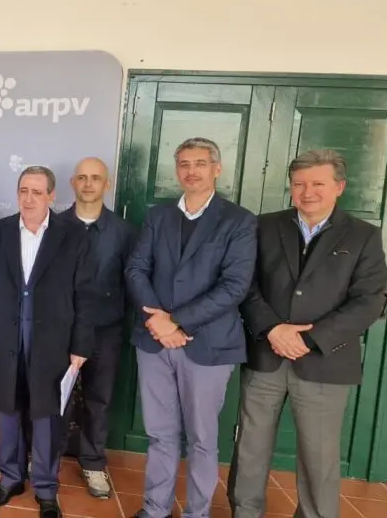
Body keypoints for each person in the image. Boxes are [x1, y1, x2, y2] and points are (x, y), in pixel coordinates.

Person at [229, 150, 387, 518]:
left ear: (339, 187)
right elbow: (245, 285)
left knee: (319, 457)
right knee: (250, 448)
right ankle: (245, 512)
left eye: (318, 183)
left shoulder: (363, 235)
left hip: (324, 361)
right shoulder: (264, 226)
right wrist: (273, 328)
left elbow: (370, 300)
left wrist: (308, 338)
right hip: (266, 355)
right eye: (299, 183)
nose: (307, 192)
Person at [124, 137, 257, 518]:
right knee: (159, 434)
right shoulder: (158, 215)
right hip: (154, 342)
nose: (191, 171)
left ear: (217, 169)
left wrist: (176, 321)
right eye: (184, 163)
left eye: (200, 163)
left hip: (207, 345)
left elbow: (234, 286)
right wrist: (157, 321)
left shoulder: (239, 221)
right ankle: (155, 509)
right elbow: (136, 268)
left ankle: (197, 513)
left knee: (202, 439)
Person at [0, 166, 95, 518]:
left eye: (37, 192)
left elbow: (86, 294)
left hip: (53, 342)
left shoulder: (73, 235)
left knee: (47, 417)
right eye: (23, 191)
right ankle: (10, 478)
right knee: (8, 411)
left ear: (51, 196)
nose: (28, 199)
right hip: (6, 338)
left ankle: (45, 488)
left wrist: (81, 345)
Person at [53, 157, 134, 499]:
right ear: (73, 183)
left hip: (105, 331)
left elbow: (132, 282)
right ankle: (47, 460)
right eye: (82, 178)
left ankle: (93, 463)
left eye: (96, 178)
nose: (88, 184)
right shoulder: (54, 225)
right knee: (55, 399)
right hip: (61, 330)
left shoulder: (124, 232)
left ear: (107, 184)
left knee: (98, 401)